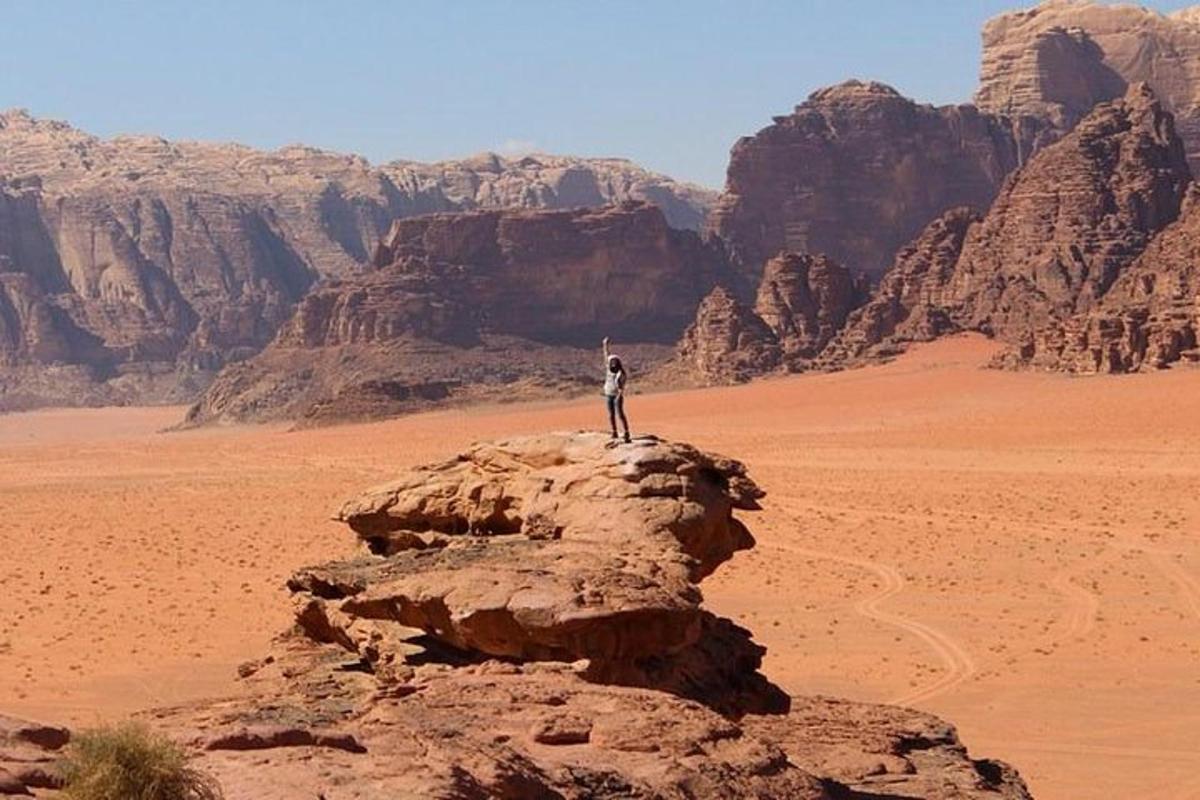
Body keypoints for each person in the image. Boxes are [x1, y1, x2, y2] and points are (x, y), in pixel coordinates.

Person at [602, 336, 631, 442]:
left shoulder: (621, 374)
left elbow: (621, 388)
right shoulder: (608, 369)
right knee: (611, 414)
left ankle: (626, 432)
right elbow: (606, 355)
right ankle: (614, 431)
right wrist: (605, 345)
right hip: (608, 393)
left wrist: (619, 396)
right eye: (611, 362)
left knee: (620, 414)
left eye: (614, 362)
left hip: (617, 396)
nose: (612, 363)